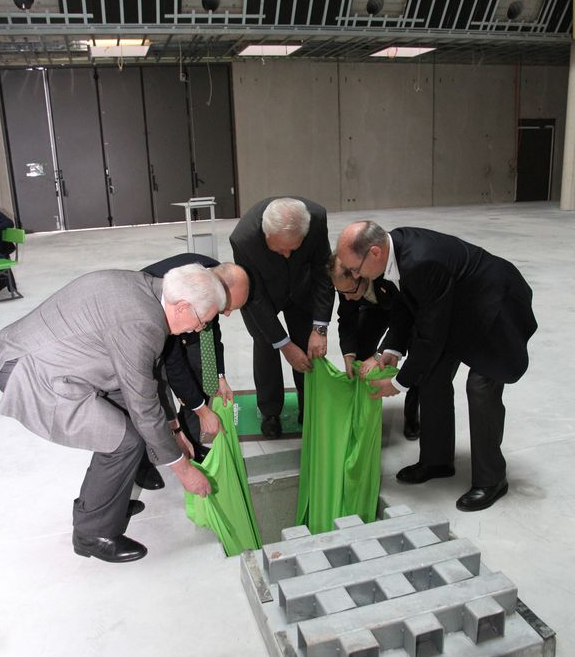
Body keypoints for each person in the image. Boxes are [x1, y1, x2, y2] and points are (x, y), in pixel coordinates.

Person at [0, 265, 226, 563]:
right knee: (125, 441)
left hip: (49, 356)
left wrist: (173, 432)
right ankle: (91, 534)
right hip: (34, 371)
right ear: (183, 306)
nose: (198, 330)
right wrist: (182, 468)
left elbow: (144, 384)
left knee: (130, 427)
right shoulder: (142, 321)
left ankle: (103, 503)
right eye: (201, 321)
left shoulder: (147, 288)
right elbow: (144, 404)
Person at [336, 221, 537, 512]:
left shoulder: (421, 260)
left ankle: (491, 479)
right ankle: (437, 460)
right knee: (431, 375)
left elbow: (430, 334)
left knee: (480, 387)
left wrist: (398, 383)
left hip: (495, 306)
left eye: (354, 269)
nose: (354, 275)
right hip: (456, 306)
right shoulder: (395, 252)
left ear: (375, 252)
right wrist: (393, 348)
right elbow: (408, 303)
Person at [138, 254, 250, 486]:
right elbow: (174, 364)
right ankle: (142, 463)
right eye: (228, 308)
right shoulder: (177, 290)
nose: (227, 314)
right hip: (153, 324)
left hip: (189, 315)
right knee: (151, 398)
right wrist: (202, 411)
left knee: (199, 378)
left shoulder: (213, 273)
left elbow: (211, 335)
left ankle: (189, 442)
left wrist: (219, 377)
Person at [230, 197, 334, 439]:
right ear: (266, 235)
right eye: (279, 249)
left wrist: (320, 328)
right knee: (266, 343)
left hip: (301, 288)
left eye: (294, 248)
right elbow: (255, 297)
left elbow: (323, 272)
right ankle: (270, 411)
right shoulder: (243, 240)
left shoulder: (316, 219)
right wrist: (284, 345)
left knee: (306, 345)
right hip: (263, 293)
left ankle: (308, 405)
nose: (287, 255)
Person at [328, 255, 419, 439]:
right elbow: (346, 318)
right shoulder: (347, 284)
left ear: (360, 274)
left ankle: (411, 416)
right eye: (341, 292)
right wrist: (348, 353)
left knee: (418, 359)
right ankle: (364, 408)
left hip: (409, 310)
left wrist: (379, 355)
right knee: (360, 352)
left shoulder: (390, 274)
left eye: (349, 291)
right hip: (373, 306)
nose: (346, 297)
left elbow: (402, 321)